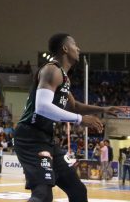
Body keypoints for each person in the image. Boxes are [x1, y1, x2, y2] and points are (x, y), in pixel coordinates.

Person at [14, 33, 120, 202]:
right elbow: (42, 107)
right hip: (30, 137)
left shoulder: (64, 78)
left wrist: (103, 109)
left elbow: (74, 106)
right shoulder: (52, 70)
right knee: (43, 195)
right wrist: (80, 119)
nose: (78, 48)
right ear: (65, 48)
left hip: (46, 138)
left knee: (78, 190)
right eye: (74, 44)